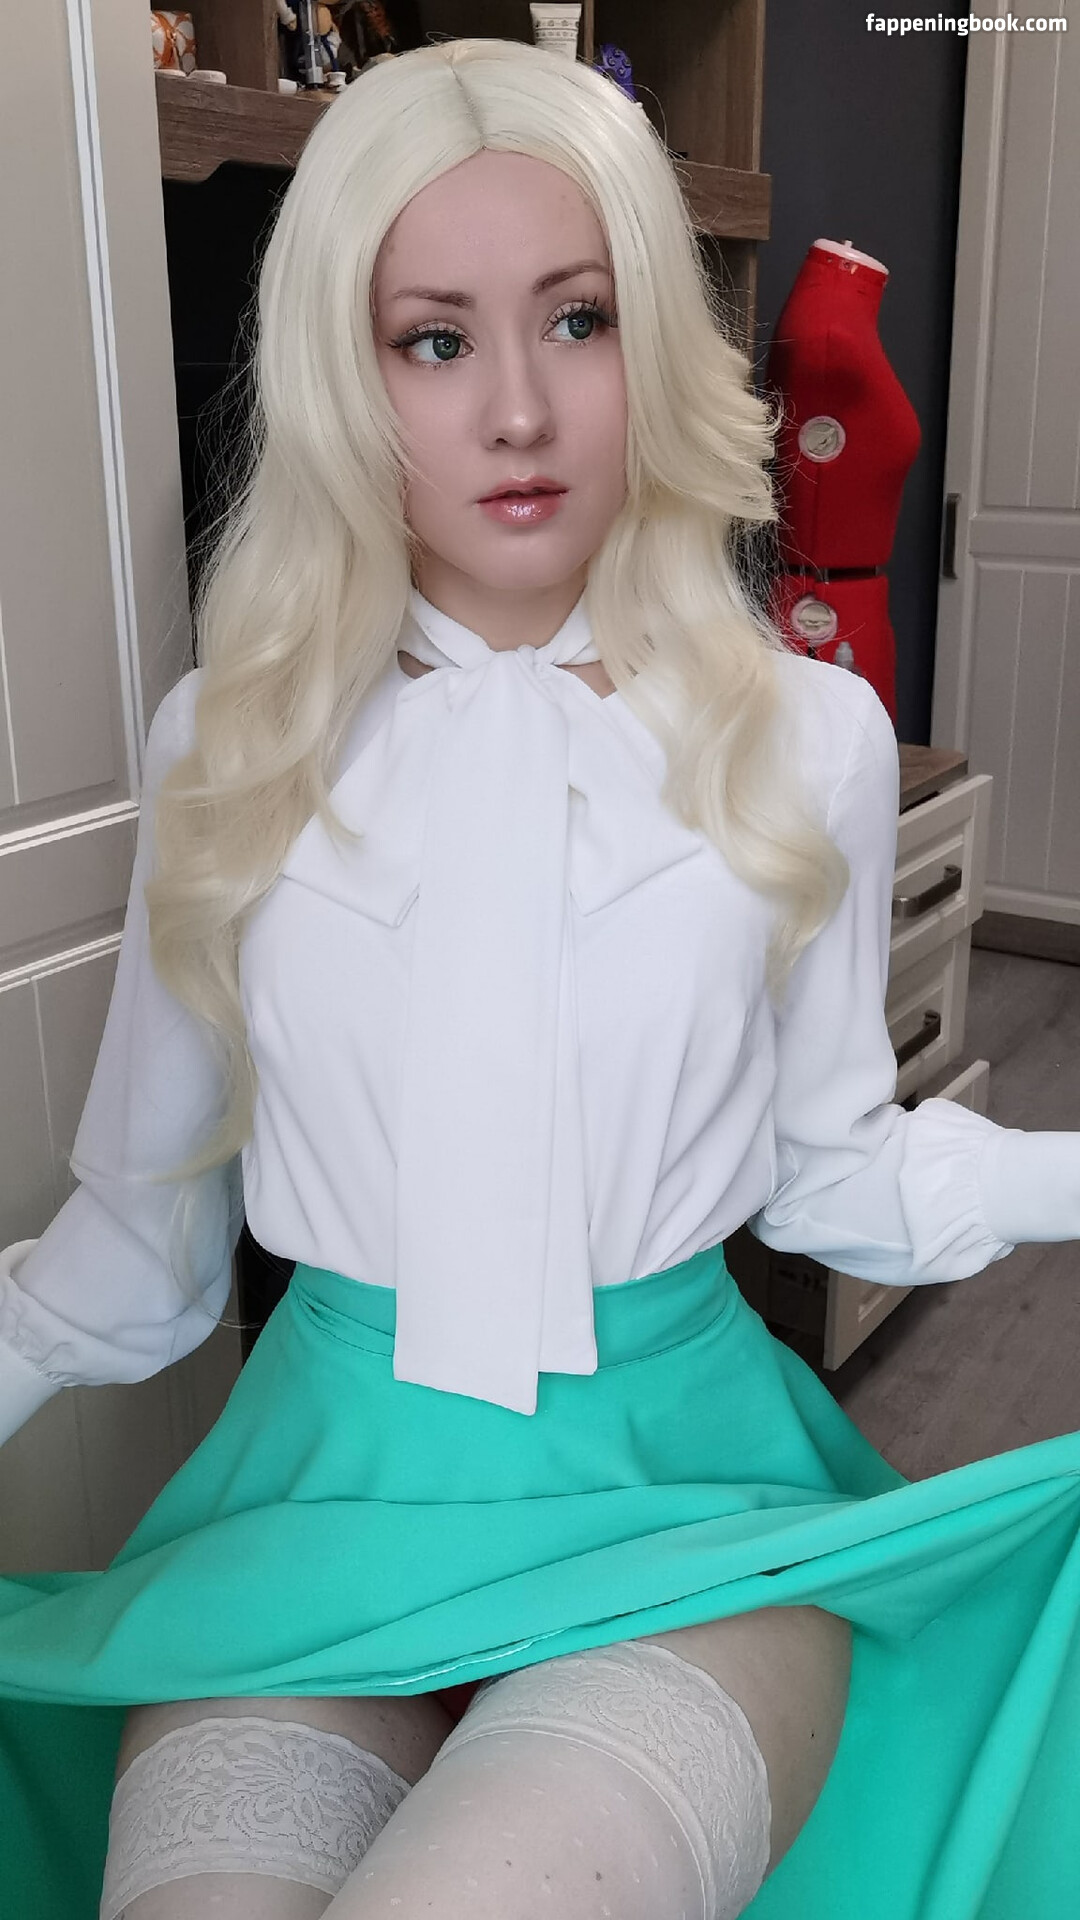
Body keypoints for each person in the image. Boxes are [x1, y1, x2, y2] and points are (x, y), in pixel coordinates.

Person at [1, 35, 1080, 1920]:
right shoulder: (224, 742)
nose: (517, 409)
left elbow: (834, 1175)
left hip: (687, 1505)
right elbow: (137, 1255)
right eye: (435, 339)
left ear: (651, 338)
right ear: (348, 378)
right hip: (314, 1503)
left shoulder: (807, 736)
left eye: (576, 321)